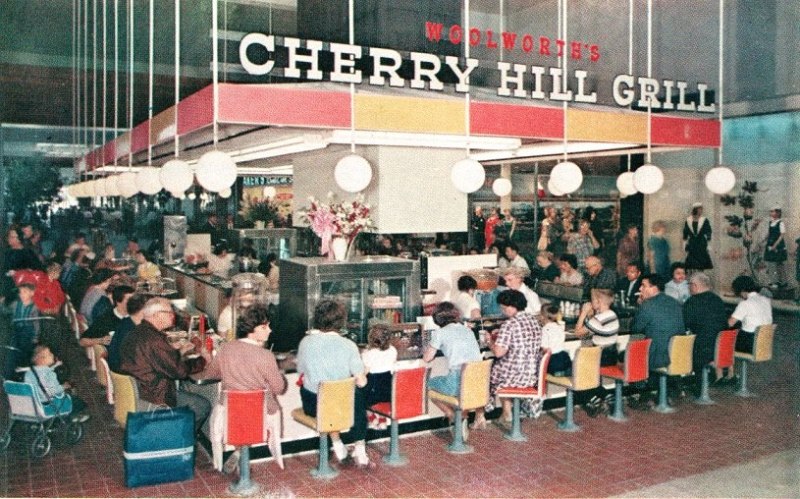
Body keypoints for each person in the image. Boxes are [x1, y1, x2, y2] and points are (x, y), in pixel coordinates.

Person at [205, 304, 287, 472]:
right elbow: (279, 389)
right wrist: (281, 376)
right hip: (260, 415)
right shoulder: (266, 355)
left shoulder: (226, 348)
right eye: (264, 327)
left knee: (242, 414)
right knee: (258, 410)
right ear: (251, 329)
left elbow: (210, 374)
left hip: (230, 413)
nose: (269, 330)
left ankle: (239, 450)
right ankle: (242, 450)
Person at [296, 300, 371, 467]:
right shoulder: (349, 345)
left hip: (313, 404)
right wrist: (364, 371)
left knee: (324, 393)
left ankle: (337, 444)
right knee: (357, 395)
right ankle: (360, 447)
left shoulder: (305, 342)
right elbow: (361, 382)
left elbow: (301, 370)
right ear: (341, 322)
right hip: (341, 406)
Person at [118, 297, 211, 429]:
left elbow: (158, 360)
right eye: (169, 312)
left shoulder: (137, 332)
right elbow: (180, 371)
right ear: (156, 315)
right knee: (201, 405)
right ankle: (177, 440)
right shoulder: (154, 341)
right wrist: (203, 360)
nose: (173, 315)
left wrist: (177, 351)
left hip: (139, 392)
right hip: (155, 397)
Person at [473, 289, 542, 428]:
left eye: (504, 308)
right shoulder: (534, 321)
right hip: (531, 375)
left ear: (512, 306)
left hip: (514, 376)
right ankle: (506, 411)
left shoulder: (509, 324)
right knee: (500, 369)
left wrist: (489, 341)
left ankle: (480, 416)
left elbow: (498, 352)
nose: (503, 311)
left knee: (482, 373)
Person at [423, 302, 481, 438]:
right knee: (460, 393)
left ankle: (451, 415)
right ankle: (462, 420)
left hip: (457, 382)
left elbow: (427, 358)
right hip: (478, 382)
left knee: (427, 385)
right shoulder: (467, 330)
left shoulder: (440, 333)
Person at [683, 273, 728, 389]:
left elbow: (684, 324)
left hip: (702, 349)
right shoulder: (718, 300)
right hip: (720, 346)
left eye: (689, 285)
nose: (688, 288)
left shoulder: (692, 302)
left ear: (694, 286)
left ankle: (694, 383)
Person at [632, 273, 685, 372]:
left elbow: (635, 329)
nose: (640, 289)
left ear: (654, 288)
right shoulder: (675, 302)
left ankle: (639, 385)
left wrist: (640, 306)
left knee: (628, 352)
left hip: (657, 357)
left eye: (643, 285)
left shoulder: (647, 305)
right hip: (678, 355)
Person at [24, 345, 89, 422]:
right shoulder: (47, 375)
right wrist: (63, 386)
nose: (52, 355)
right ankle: (72, 417)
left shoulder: (29, 373)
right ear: (41, 360)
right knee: (78, 402)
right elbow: (51, 392)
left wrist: (55, 366)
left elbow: (41, 374)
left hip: (34, 405)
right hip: (48, 406)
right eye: (49, 354)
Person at [361, 324, 398, 430]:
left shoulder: (368, 354)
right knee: (381, 399)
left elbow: (364, 373)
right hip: (388, 390)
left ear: (371, 339)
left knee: (360, 395)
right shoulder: (393, 350)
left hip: (373, 391)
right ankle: (382, 420)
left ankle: (372, 418)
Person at [729, 274, 772, 359]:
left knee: (721, 339)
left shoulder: (745, 304)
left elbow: (730, 323)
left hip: (749, 343)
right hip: (764, 343)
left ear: (741, 291)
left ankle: (726, 370)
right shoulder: (766, 300)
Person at [575, 288, 620, 367]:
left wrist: (583, 313)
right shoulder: (612, 314)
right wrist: (590, 316)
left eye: (592, 300)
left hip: (600, 357)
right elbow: (597, 327)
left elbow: (577, 333)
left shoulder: (598, 319)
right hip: (612, 355)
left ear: (598, 302)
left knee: (575, 360)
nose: (590, 302)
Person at [3, 282, 40, 379]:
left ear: (32, 293)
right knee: (12, 350)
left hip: (27, 332)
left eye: (25, 292)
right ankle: (8, 374)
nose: (21, 294)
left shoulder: (34, 308)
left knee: (24, 352)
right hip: (15, 331)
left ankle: (23, 371)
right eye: (20, 292)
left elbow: (36, 323)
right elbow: (6, 311)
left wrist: (35, 336)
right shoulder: (16, 304)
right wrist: (2, 304)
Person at [108, 293, 147, 372]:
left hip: (118, 368)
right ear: (142, 311)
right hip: (127, 374)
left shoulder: (126, 321)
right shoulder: (133, 331)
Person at [539, 304, 571, 376]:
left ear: (542, 317)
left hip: (553, 361)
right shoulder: (560, 327)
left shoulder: (545, 329)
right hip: (564, 358)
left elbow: (545, 349)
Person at [683, 203, 713, 271]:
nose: (701, 211)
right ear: (695, 209)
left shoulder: (704, 220)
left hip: (701, 243)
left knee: (701, 263)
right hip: (692, 244)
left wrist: (708, 243)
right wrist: (684, 244)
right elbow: (685, 232)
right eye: (700, 209)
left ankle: (700, 277)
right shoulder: (688, 220)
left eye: (701, 209)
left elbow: (709, 231)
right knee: (691, 264)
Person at [763, 207, 788, 287]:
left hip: (778, 246)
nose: (771, 213)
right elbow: (769, 233)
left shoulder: (781, 223)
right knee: (771, 264)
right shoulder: (771, 222)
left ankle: (783, 282)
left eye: (772, 211)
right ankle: (774, 281)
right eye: (770, 211)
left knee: (779, 264)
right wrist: (763, 240)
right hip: (770, 244)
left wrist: (774, 245)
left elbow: (781, 235)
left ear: (777, 213)